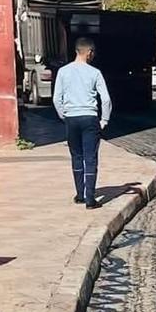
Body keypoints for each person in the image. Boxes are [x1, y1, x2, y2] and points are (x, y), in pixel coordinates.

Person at [53, 37, 111, 210]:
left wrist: (64, 115)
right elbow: (106, 99)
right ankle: (90, 199)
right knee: (90, 158)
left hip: (71, 118)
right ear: (89, 52)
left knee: (76, 156)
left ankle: (80, 194)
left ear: (77, 51)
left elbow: (56, 98)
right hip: (90, 118)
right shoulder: (95, 73)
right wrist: (104, 120)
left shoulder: (63, 71)